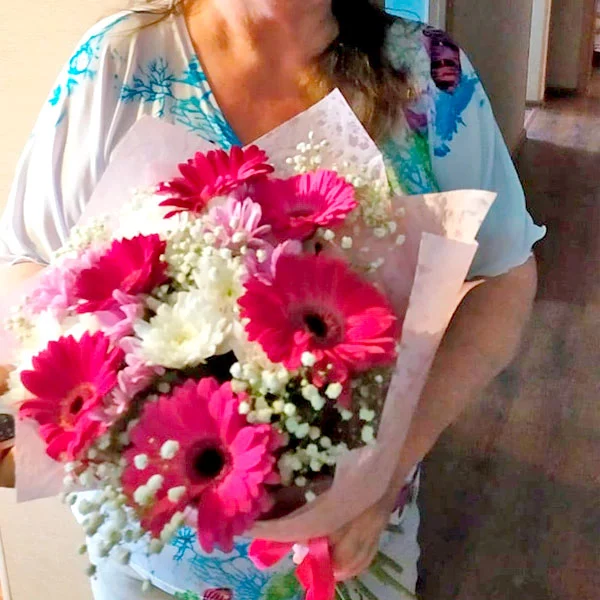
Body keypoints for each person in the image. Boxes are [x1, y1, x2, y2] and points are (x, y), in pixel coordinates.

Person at [0, 1, 545, 598]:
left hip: (350, 555)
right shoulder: (119, 61)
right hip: (149, 562)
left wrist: (388, 468)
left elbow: (505, 277)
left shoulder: (428, 75)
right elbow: (28, 262)